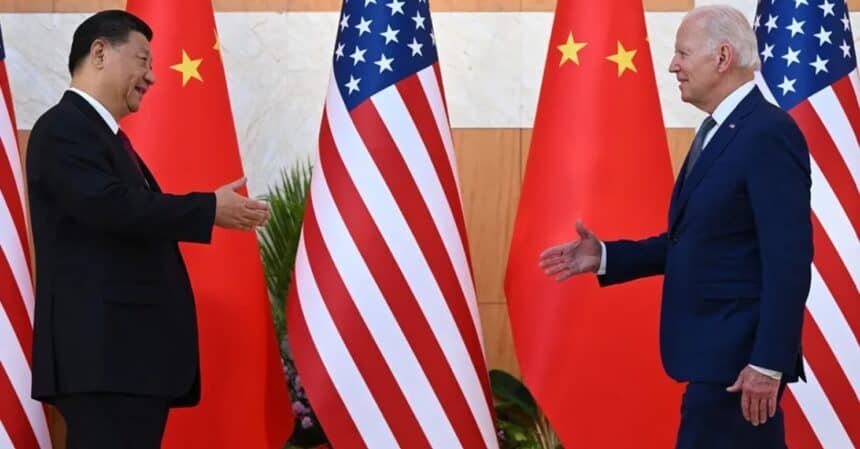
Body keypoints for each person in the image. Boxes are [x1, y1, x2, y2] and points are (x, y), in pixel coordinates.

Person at [538, 5, 812, 449]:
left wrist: (768, 362)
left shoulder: (767, 133)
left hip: (739, 366)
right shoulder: (718, 131)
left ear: (722, 57)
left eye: (683, 53)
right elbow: (695, 241)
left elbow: (789, 259)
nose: (673, 66)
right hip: (714, 361)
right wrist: (606, 256)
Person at [26, 10, 270, 449]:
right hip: (103, 362)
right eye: (142, 60)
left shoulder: (100, 135)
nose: (152, 77)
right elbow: (112, 206)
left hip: (124, 364)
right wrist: (208, 208)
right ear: (100, 53)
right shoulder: (64, 128)